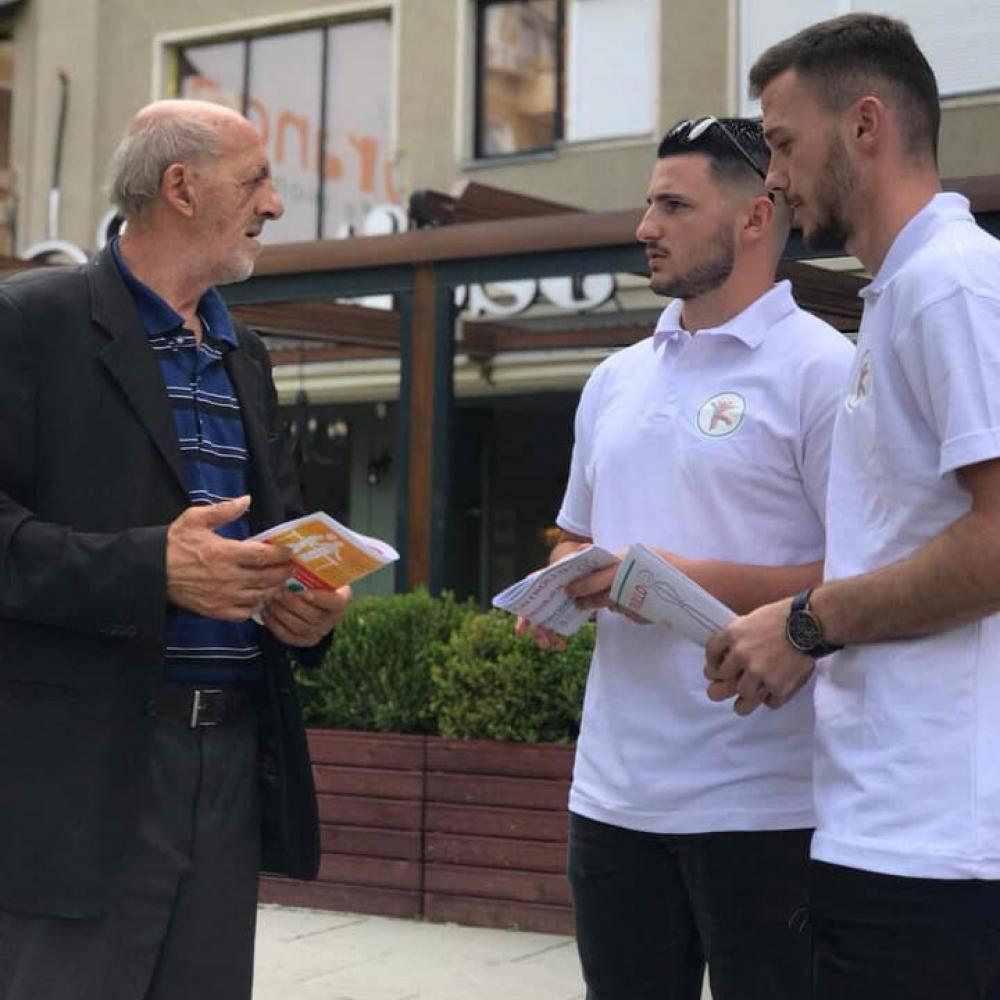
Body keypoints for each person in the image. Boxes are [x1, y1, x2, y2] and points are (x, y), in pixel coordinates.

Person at [0, 100, 351, 1000]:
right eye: (256, 181)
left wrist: (305, 610)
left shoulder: (247, 357)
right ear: (180, 187)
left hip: (230, 762)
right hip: (78, 780)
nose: (275, 204)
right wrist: (149, 567)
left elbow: (279, 536)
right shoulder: (28, 324)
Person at [518, 118, 853, 1000]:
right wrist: (568, 579)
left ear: (754, 217)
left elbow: (862, 581)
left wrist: (662, 575)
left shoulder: (826, 371)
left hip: (767, 801)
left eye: (672, 204)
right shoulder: (615, 378)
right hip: (613, 797)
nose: (644, 227)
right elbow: (576, 534)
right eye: (647, 203)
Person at [704, 13, 1000, 999]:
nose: (772, 178)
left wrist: (808, 621)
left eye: (782, 143)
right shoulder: (899, 291)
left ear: (863, 124)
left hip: (936, 851)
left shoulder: (950, 285)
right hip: (890, 832)